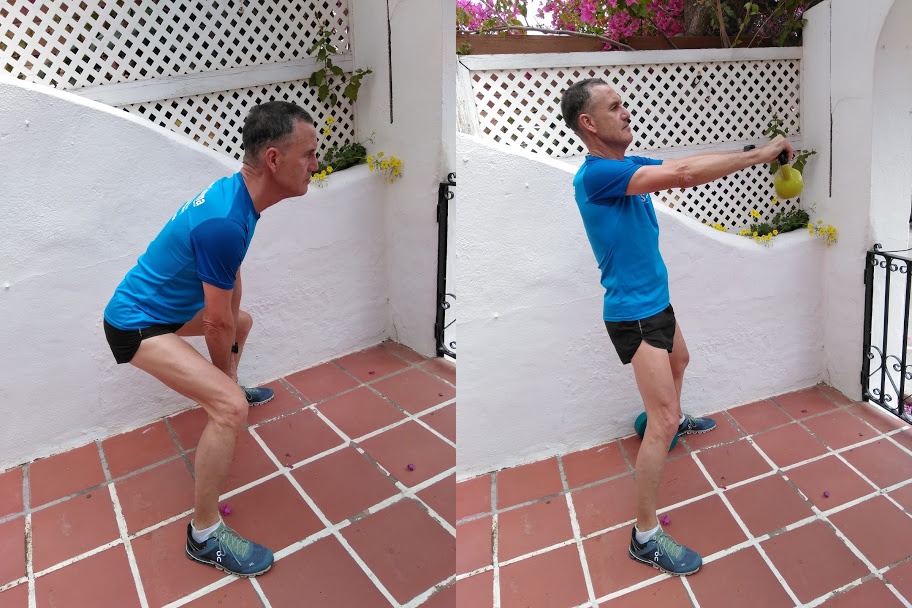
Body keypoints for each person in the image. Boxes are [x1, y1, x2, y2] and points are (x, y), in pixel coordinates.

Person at [559, 79, 792, 576]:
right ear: (588, 123)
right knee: (663, 420)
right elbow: (685, 174)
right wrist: (762, 155)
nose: (627, 112)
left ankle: (661, 420)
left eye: (624, 104)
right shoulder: (597, 175)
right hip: (633, 313)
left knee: (680, 361)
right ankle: (644, 536)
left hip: (655, 302)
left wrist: (744, 150)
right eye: (614, 107)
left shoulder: (625, 165)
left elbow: (680, 161)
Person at [102, 100, 320, 577]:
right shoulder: (225, 218)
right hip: (134, 323)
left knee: (242, 322)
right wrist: (225, 384)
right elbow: (215, 325)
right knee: (229, 407)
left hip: (164, 312)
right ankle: (203, 536)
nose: (316, 164)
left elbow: (229, 287)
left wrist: (228, 360)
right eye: (309, 154)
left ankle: (231, 389)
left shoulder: (239, 200)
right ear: (274, 160)